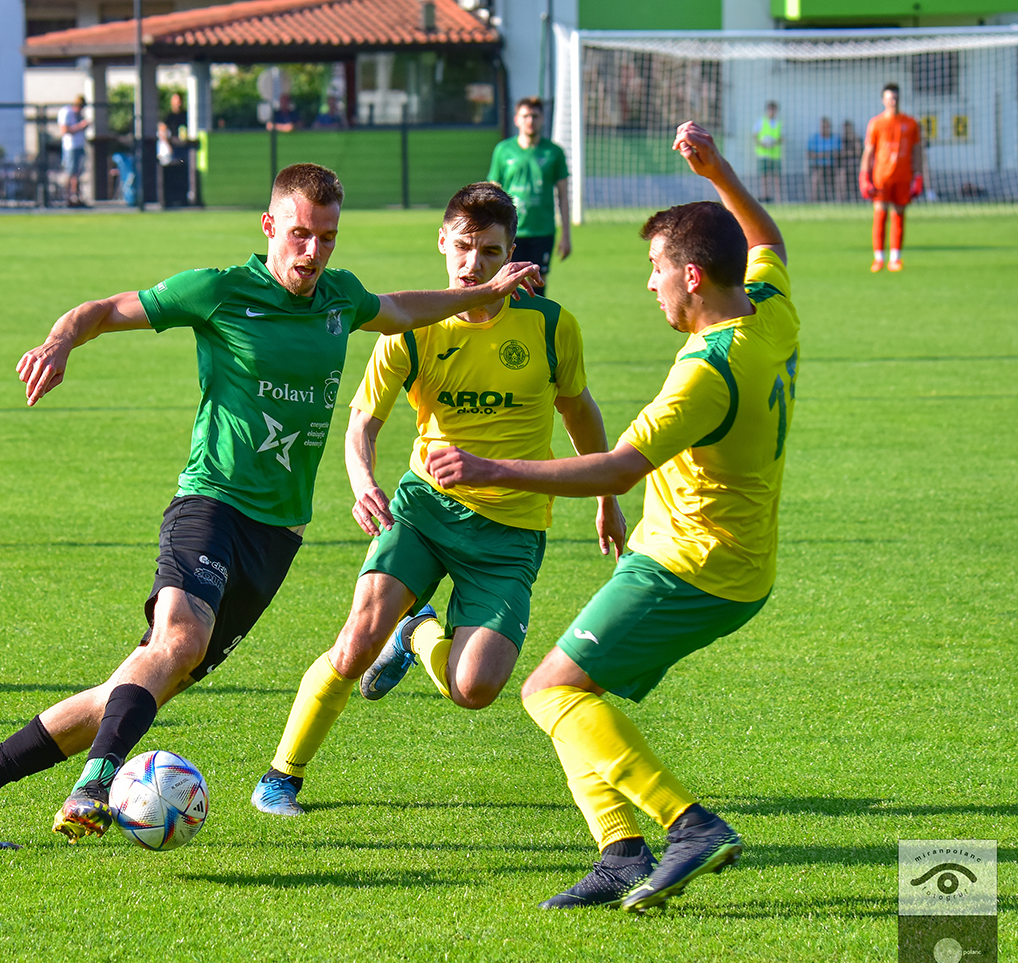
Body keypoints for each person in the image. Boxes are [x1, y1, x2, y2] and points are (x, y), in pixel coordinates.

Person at [0, 162, 538, 851]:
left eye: (327, 238)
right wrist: (60, 341)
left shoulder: (341, 297)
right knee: (177, 642)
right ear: (269, 226)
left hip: (277, 539)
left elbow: (404, 308)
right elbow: (105, 311)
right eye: (300, 234)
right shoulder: (218, 291)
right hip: (211, 504)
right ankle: (96, 784)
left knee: (143, 682)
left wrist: (487, 290)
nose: (312, 252)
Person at [425, 121, 798, 912]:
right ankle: (621, 854)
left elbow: (621, 467)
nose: (650, 285)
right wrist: (716, 172)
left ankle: (688, 825)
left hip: (692, 566)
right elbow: (767, 239)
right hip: (727, 560)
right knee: (567, 689)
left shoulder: (708, 372)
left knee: (549, 693)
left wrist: (489, 468)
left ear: (692, 276)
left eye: (657, 270)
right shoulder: (770, 311)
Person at [251, 182, 625, 817]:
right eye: (463, 247)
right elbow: (362, 423)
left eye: (490, 251)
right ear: (443, 243)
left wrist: (606, 494)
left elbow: (578, 411)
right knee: (356, 642)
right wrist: (363, 481)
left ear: (511, 253)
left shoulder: (550, 326)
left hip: (511, 530)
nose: (473, 264)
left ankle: (418, 632)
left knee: (474, 688)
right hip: (425, 511)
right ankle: (282, 774)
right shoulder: (412, 327)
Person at [487, 97, 571, 297]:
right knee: (508, 281)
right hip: (510, 230)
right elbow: (493, 193)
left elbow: (563, 196)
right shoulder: (503, 150)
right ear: (516, 119)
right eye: (525, 116)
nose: (530, 121)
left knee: (537, 281)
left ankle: (537, 315)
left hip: (542, 229)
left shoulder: (554, 152)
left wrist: (566, 235)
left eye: (535, 116)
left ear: (542, 119)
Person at [860, 83, 923, 273]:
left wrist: (918, 176)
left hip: (903, 176)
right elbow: (869, 151)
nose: (892, 101)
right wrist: (864, 176)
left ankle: (895, 258)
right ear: (883, 100)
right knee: (880, 215)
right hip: (881, 177)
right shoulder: (876, 123)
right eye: (889, 98)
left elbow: (917, 151)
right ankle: (878, 258)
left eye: (895, 98)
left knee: (899, 214)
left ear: (899, 99)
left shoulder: (910, 123)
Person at [59, 95, 88, 207]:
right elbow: (64, 130)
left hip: (80, 146)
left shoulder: (79, 115)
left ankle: (77, 197)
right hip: (71, 147)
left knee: (78, 174)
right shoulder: (66, 112)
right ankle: (69, 197)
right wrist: (80, 126)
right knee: (71, 173)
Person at [806, 117, 843, 203]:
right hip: (818, 166)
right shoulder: (814, 138)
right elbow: (809, 154)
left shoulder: (835, 139)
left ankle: (839, 201)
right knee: (815, 178)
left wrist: (830, 154)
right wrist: (821, 155)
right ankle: (813, 201)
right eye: (822, 126)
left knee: (840, 176)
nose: (824, 129)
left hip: (832, 166)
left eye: (826, 126)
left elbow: (839, 153)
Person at [753, 101, 782, 203]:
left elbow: (781, 137)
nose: (772, 112)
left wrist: (774, 143)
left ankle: (778, 199)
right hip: (763, 154)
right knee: (764, 176)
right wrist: (762, 144)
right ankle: (765, 197)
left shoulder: (778, 123)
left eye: (774, 110)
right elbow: (755, 136)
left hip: (775, 155)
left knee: (776, 177)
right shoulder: (761, 122)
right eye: (770, 110)